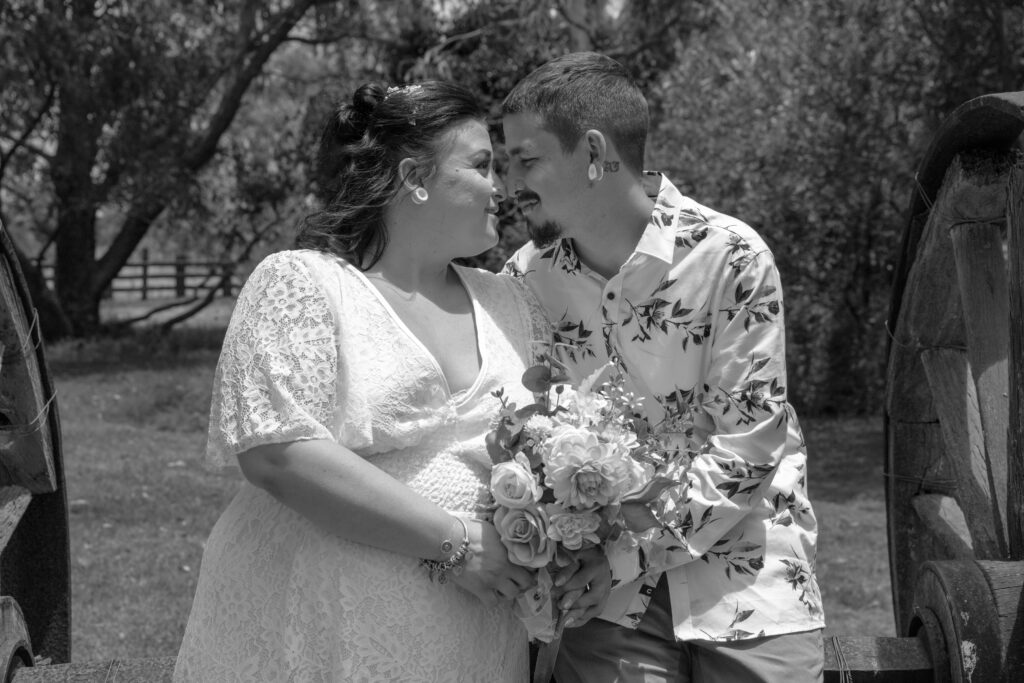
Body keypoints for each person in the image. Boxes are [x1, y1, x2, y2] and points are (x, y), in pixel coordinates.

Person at [174, 80, 553, 682]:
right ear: (414, 178)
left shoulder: (511, 301)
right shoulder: (303, 284)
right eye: (481, 165)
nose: (500, 188)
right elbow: (278, 455)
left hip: (471, 639)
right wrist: (455, 542)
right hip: (320, 623)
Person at [501, 52, 825, 682]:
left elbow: (747, 447)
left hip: (749, 581)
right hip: (604, 603)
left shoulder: (731, 257)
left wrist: (630, 554)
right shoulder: (525, 280)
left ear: (593, 152)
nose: (509, 182)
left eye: (526, 159)